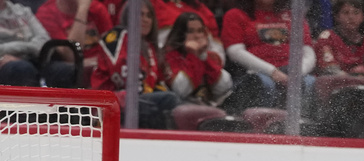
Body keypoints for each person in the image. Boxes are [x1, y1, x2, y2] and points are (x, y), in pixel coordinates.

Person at [92, 0, 182, 129]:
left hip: (137, 99)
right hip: (111, 99)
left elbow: (160, 80)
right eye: (140, 14)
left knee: (177, 102)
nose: (145, 19)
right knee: (168, 100)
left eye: (149, 16)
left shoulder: (150, 46)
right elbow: (121, 76)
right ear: (130, 15)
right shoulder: (117, 36)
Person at [220, 0, 317, 112]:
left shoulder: (293, 15)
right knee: (265, 83)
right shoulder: (236, 14)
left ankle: (304, 125)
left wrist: (298, 72)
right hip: (255, 72)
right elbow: (235, 51)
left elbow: (308, 51)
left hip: (293, 71)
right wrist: (271, 71)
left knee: (310, 82)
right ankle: (261, 125)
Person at [163, 11, 233, 107]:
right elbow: (181, 90)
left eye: (200, 31)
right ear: (180, 34)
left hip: (212, 107)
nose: (197, 36)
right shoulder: (170, 56)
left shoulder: (209, 56)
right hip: (183, 108)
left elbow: (223, 87)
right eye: (190, 31)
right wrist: (193, 56)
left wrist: (203, 56)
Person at [0, 0, 76, 87]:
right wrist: (30, 46)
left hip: (35, 57)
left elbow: (44, 39)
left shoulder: (23, 11)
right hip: (5, 62)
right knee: (21, 68)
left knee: (64, 70)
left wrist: (22, 48)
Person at [34, 0, 113, 71]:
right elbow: (71, 55)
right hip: (71, 73)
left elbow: (111, 48)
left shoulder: (96, 8)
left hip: (101, 67)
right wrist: (82, 10)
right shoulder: (46, 14)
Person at [313, 0, 364, 80]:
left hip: (360, 85)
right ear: (337, 17)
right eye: (346, 13)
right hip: (333, 83)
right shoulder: (327, 37)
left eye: (356, 13)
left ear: (362, 17)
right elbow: (329, 69)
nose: (351, 17)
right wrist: (353, 77)